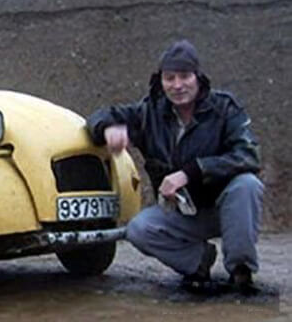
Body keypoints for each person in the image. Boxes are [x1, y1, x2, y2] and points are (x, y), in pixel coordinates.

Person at [86, 39, 264, 294]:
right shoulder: (149, 112)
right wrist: (107, 129)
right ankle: (198, 264)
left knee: (247, 184)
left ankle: (240, 272)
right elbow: (100, 116)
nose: (177, 85)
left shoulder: (225, 108)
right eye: (170, 78)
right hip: (182, 212)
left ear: (198, 77)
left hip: (226, 210)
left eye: (184, 76)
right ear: (161, 81)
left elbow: (249, 156)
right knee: (138, 229)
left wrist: (191, 172)